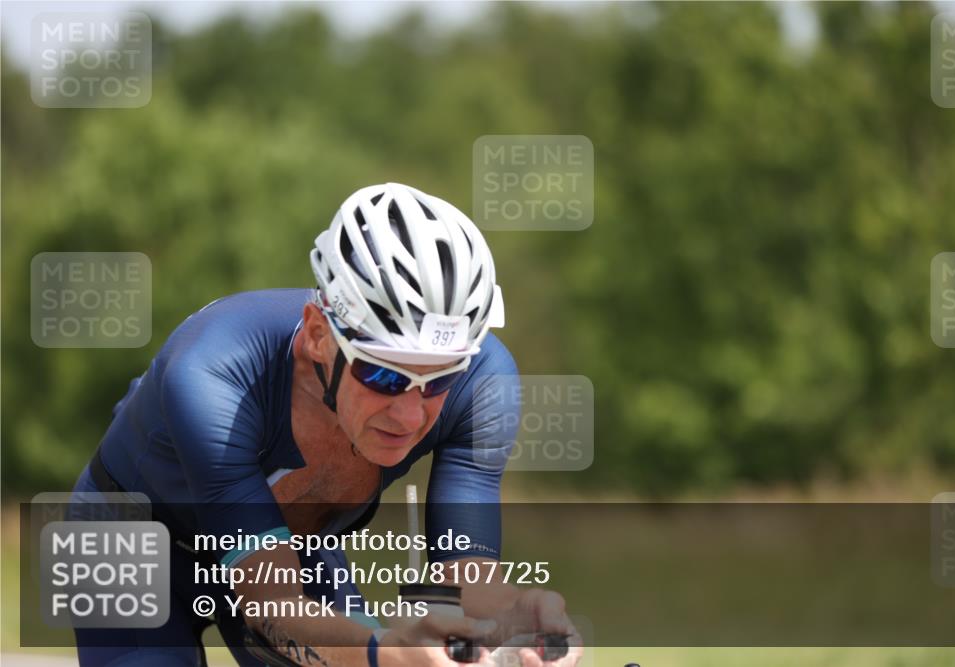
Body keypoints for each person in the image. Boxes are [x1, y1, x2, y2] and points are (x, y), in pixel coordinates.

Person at [71, 183, 581, 667]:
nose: (409, 413)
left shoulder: (484, 380)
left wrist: (511, 615)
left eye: (440, 378)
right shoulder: (211, 372)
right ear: (319, 334)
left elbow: (464, 576)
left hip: (295, 546)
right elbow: (270, 603)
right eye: (383, 374)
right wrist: (382, 654)